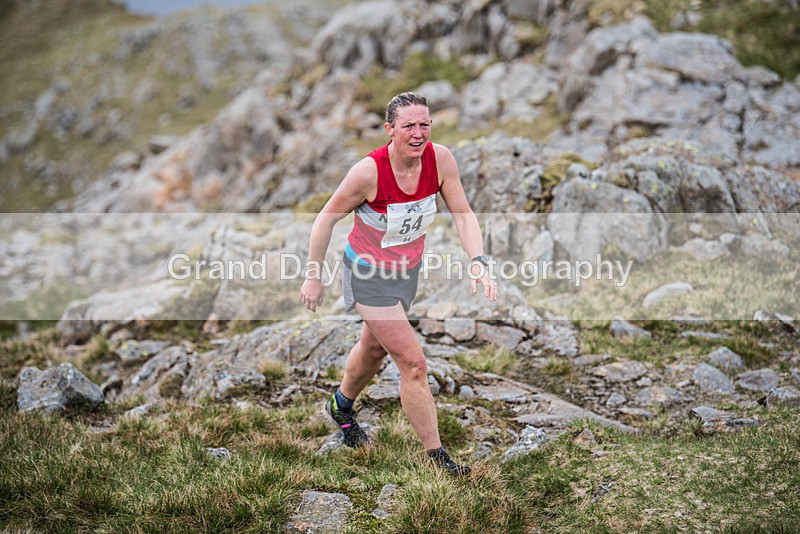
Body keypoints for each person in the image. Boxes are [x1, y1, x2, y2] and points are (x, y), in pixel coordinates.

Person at [299, 92, 496, 476]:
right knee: (413, 363)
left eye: (425, 124)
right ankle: (438, 461)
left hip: (407, 273)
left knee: (373, 349)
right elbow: (324, 220)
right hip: (368, 275)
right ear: (390, 130)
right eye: (409, 125)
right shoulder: (368, 173)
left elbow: (463, 213)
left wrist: (478, 262)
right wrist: (313, 276)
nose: (418, 133)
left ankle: (339, 405)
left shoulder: (440, 160)